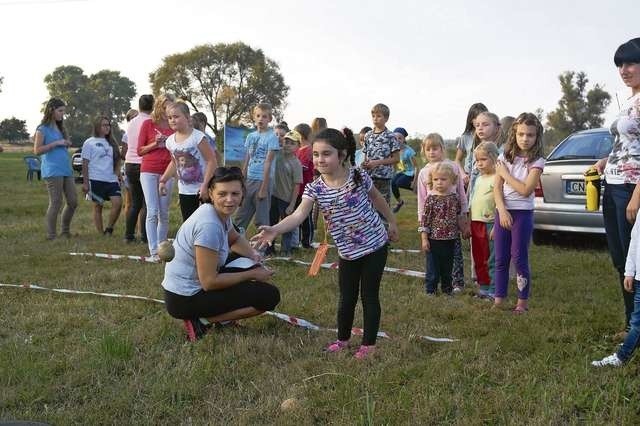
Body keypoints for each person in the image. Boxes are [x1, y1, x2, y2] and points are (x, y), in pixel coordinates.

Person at [252, 128, 399, 359]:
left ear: (341, 155)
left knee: (369, 295)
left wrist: (392, 222)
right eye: (316, 154)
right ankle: (342, 340)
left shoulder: (359, 177)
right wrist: (275, 229)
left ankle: (368, 345)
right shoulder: (315, 188)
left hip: (374, 246)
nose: (320, 159)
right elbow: (298, 215)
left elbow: (378, 199)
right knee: (346, 297)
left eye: (326, 154)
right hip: (347, 252)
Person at [162, 166, 280, 342]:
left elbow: (234, 239)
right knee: (269, 297)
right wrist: (254, 273)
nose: (229, 200)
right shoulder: (208, 226)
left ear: (242, 194)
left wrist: (254, 255)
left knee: (247, 261)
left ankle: (218, 318)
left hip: (184, 291)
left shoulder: (216, 212)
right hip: (184, 299)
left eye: (235, 193)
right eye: (222, 194)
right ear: (211, 193)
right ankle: (203, 321)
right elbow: (209, 282)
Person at [592, 37, 640, 341]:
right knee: (619, 259)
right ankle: (630, 324)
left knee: (634, 262)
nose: (624, 69)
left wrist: (636, 196)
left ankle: (635, 328)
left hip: (630, 189)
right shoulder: (631, 99)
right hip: (612, 184)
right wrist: (607, 159)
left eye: (631, 62)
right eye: (620, 64)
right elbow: (630, 144)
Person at [492, 113, 545, 313]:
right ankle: (499, 299)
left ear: (536, 136)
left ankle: (522, 303)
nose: (525, 138)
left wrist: (505, 174)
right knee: (501, 258)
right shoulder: (503, 156)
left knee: (519, 257)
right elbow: (497, 189)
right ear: (514, 134)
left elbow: (525, 190)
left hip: (523, 214)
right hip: (503, 212)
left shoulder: (537, 161)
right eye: (521, 134)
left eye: (530, 135)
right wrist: (502, 211)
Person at [416, 133, 470, 294]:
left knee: (454, 254)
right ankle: (432, 284)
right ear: (424, 151)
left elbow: (461, 192)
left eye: (435, 148)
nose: (432, 152)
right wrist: (422, 223)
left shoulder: (453, 167)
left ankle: (457, 282)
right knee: (434, 257)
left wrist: (464, 216)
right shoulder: (424, 173)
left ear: (442, 149)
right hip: (434, 225)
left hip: (452, 222)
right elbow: (422, 199)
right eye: (428, 149)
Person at [160, 102, 217, 221]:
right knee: (189, 223)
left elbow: (211, 161)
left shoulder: (198, 137)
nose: (172, 120)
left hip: (202, 189)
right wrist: (163, 180)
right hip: (185, 190)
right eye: (170, 118)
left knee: (206, 222)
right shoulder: (170, 141)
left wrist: (205, 185)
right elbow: (174, 163)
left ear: (187, 117)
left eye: (176, 117)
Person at [33, 98, 77, 240]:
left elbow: (64, 144)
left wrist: (66, 142)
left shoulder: (61, 127)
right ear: (51, 110)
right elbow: (37, 150)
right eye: (60, 111)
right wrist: (56, 143)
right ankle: (51, 235)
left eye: (63, 111)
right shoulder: (42, 129)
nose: (62, 114)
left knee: (73, 201)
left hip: (66, 169)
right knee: (56, 202)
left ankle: (65, 231)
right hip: (52, 170)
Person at [138, 94, 175, 258]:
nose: (168, 109)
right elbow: (140, 150)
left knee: (164, 213)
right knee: (152, 211)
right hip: (149, 171)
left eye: (171, 106)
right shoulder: (148, 124)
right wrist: (156, 143)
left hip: (167, 171)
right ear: (159, 106)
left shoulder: (174, 125)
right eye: (166, 105)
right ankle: (153, 251)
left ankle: (163, 249)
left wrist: (169, 142)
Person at [419, 162, 465, 295]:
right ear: (431, 181)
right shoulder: (431, 199)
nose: (439, 182)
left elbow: (458, 216)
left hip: (451, 239)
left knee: (447, 267)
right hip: (434, 240)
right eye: (436, 179)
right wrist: (424, 239)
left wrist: (463, 229)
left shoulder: (454, 198)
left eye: (443, 179)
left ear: (452, 181)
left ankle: (447, 289)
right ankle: (430, 290)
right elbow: (425, 220)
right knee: (433, 268)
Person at [234, 103, 280, 231]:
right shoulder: (251, 136)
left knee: (262, 218)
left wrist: (264, 188)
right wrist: (242, 177)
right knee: (241, 215)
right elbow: (248, 157)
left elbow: (268, 163)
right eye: (258, 116)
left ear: (269, 119)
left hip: (263, 180)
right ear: (254, 117)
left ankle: (262, 248)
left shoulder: (272, 138)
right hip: (250, 179)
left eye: (264, 116)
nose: (261, 119)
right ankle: (234, 244)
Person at [81, 116, 122, 235]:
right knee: (98, 206)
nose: (107, 127)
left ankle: (109, 229)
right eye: (104, 125)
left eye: (108, 125)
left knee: (118, 203)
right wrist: (85, 182)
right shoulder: (89, 142)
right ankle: (100, 233)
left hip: (111, 180)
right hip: (95, 179)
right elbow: (85, 163)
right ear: (98, 127)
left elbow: (117, 160)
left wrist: (118, 174)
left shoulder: (112, 143)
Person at [469, 142, 499, 298]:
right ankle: (484, 287)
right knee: (479, 257)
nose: (479, 163)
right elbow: (473, 200)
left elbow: (501, 202)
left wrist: (497, 225)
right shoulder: (479, 178)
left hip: (491, 224)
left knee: (492, 258)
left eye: (483, 159)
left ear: (494, 158)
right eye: (477, 160)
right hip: (476, 222)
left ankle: (494, 290)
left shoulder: (497, 178)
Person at [124, 94, 154, 243]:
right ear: (152, 106)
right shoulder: (151, 122)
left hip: (129, 163)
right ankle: (145, 236)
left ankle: (129, 235)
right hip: (144, 163)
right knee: (147, 203)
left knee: (135, 202)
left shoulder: (131, 122)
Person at [270, 130, 303, 256]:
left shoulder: (296, 164)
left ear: (298, 146)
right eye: (286, 142)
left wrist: (292, 204)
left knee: (286, 226)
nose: (288, 145)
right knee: (271, 223)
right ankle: (269, 248)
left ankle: (286, 249)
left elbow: (296, 186)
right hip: (273, 195)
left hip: (286, 199)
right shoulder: (277, 154)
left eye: (292, 143)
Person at [361, 103, 401, 207]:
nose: (375, 119)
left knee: (383, 208)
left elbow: (396, 159)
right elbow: (365, 155)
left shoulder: (390, 136)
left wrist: (377, 163)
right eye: (373, 116)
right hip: (369, 177)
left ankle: (386, 224)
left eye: (379, 116)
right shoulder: (368, 135)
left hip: (383, 178)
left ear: (386, 118)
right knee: (368, 207)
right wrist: (364, 164)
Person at [455, 103, 488, 187]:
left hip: (484, 176)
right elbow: (457, 160)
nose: (480, 121)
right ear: (471, 120)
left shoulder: (489, 136)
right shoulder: (465, 137)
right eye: (476, 118)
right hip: (468, 178)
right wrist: (463, 174)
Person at [294, 123, 315, 248]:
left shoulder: (308, 150)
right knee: (298, 215)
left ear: (300, 136)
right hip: (297, 189)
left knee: (306, 216)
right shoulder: (298, 150)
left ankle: (307, 241)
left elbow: (304, 167)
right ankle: (299, 239)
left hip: (306, 189)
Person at [390, 127, 418, 213]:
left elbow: (417, 167)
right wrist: (392, 174)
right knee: (392, 183)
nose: (397, 140)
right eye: (395, 138)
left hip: (411, 173)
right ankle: (400, 202)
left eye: (400, 138)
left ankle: (418, 189)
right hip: (403, 172)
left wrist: (414, 181)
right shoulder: (395, 151)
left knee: (399, 182)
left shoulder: (408, 152)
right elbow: (395, 164)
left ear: (404, 139)